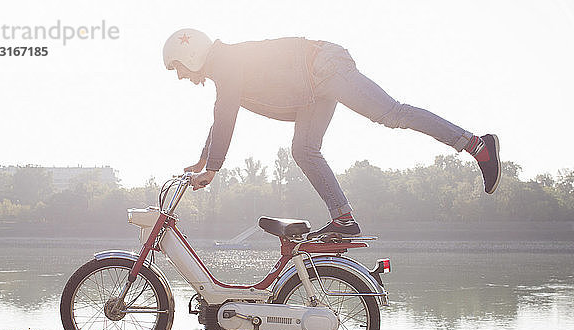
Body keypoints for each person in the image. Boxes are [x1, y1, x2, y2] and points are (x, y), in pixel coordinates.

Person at [163, 28, 501, 238]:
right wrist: (204, 159)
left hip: (322, 65)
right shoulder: (225, 65)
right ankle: (343, 219)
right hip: (311, 85)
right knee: (303, 149)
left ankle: (476, 145)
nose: (179, 77)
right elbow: (221, 112)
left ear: (190, 56)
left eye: (177, 67)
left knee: (391, 114)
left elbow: (224, 113)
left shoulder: (225, 62)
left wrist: (213, 168)